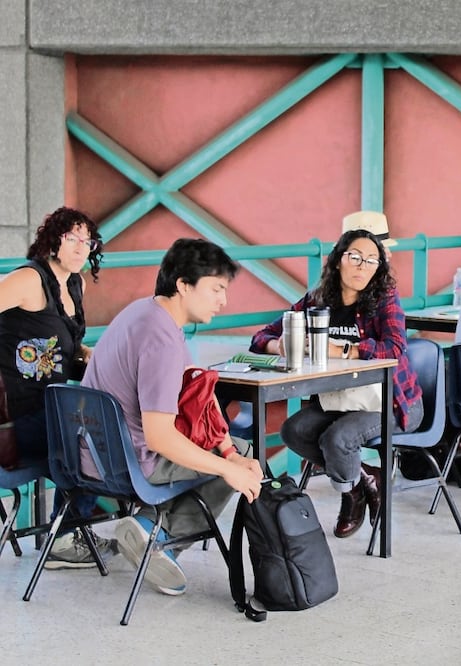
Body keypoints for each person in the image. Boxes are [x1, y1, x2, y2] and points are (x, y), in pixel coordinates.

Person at [82, 238, 263, 595]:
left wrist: (227, 451)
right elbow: (160, 438)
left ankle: (147, 523)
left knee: (234, 450)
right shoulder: (161, 339)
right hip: (127, 465)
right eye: (216, 289)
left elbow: (198, 396)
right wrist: (229, 467)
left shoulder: (144, 312)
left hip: (89, 453)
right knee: (240, 462)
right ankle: (159, 536)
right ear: (183, 284)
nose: (223, 301)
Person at [249, 228, 422, 539]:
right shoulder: (317, 300)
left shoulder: (385, 298)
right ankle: (364, 480)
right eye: (355, 257)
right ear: (337, 260)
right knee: (293, 430)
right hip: (339, 400)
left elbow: (395, 348)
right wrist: (281, 346)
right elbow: (262, 337)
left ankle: (349, 494)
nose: (362, 266)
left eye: (371, 260)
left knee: (338, 439)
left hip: (391, 401)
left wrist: (343, 349)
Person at [0, 206, 117, 569]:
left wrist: (85, 352)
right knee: (91, 438)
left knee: (105, 428)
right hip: (15, 416)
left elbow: (64, 340)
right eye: (72, 239)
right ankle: (66, 535)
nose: (82, 248)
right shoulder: (29, 279)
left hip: (49, 407)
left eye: (88, 241)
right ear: (53, 242)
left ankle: (70, 528)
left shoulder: (74, 284)